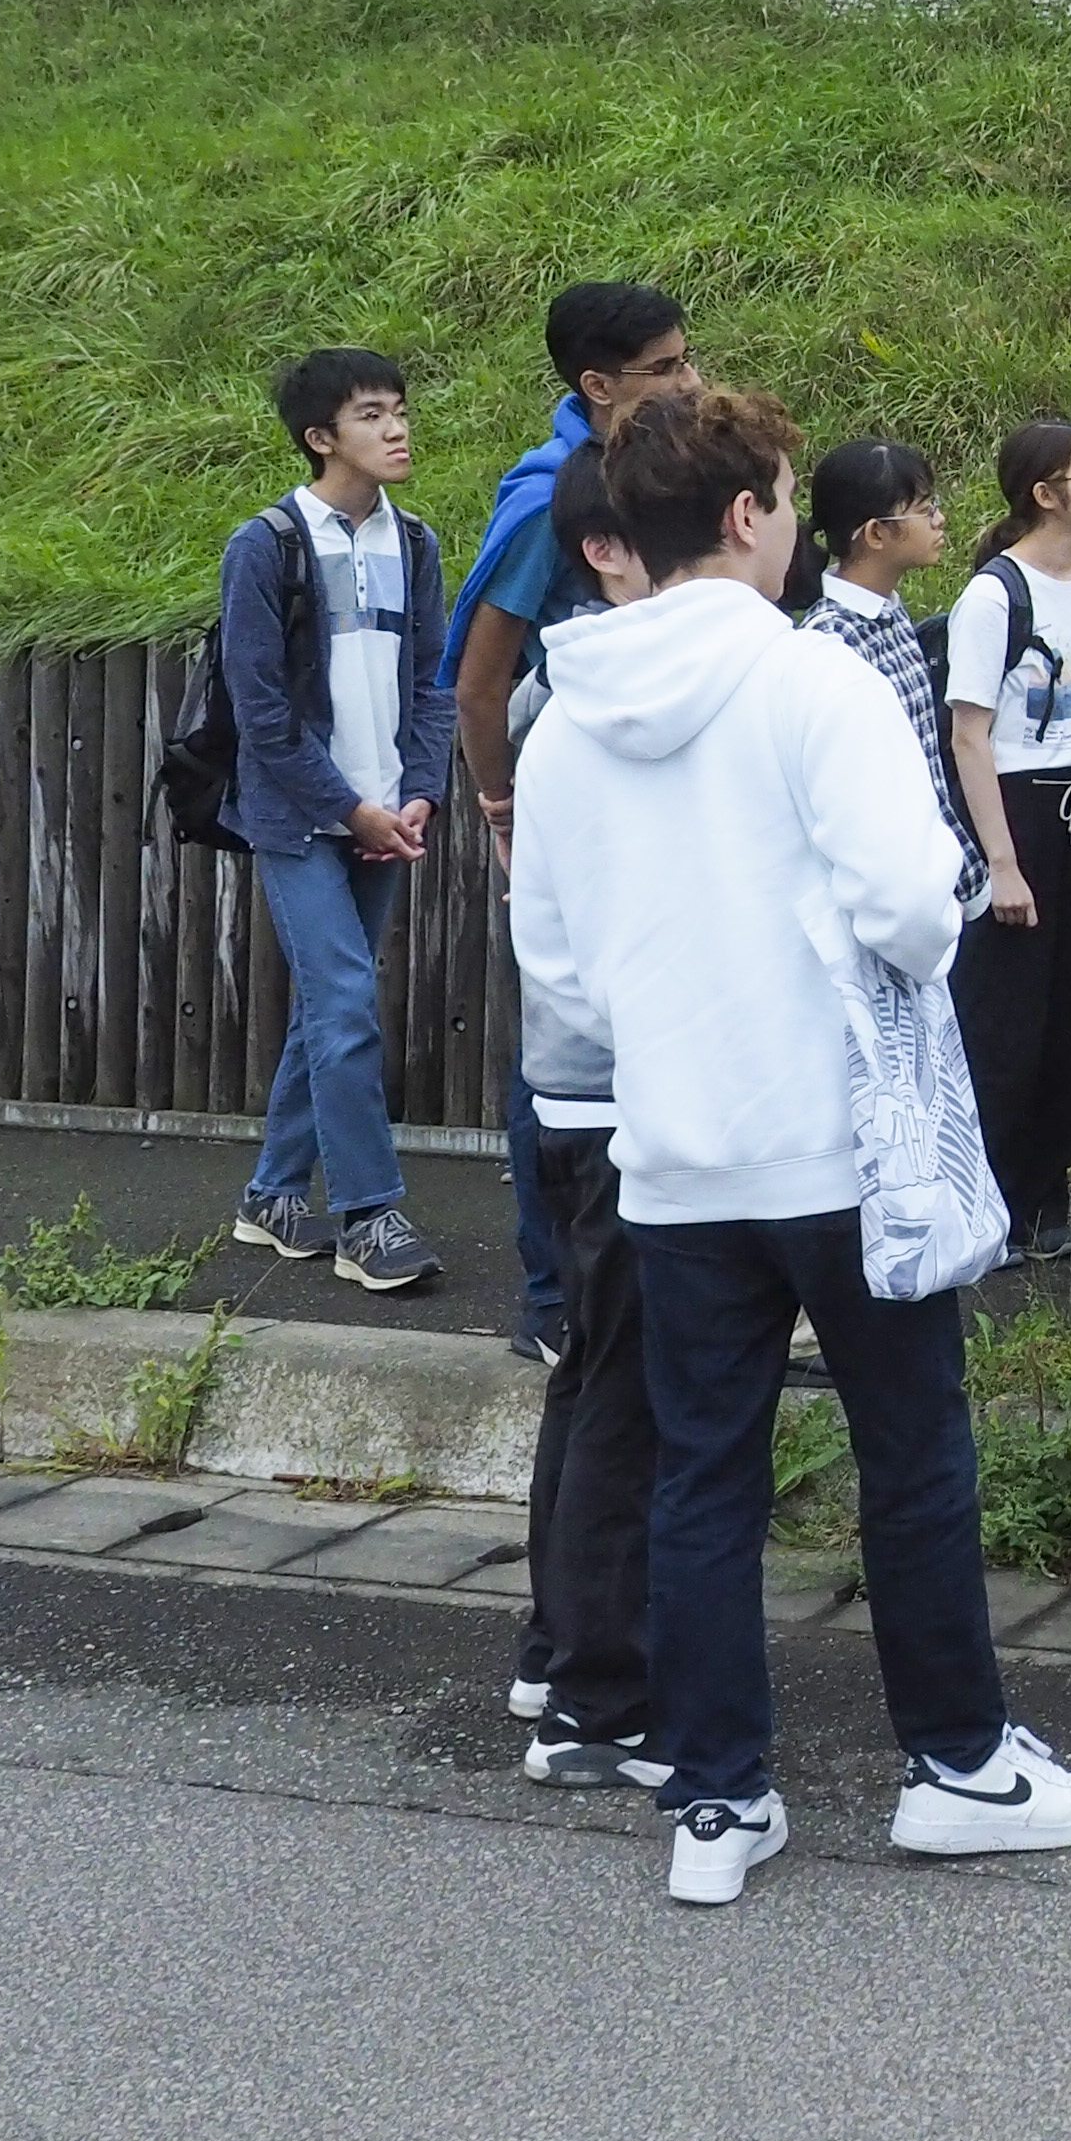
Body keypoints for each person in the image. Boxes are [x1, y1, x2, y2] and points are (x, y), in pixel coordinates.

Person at [505, 382, 1071, 1905]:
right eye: (781, 498)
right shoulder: (814, 685)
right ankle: (960, 1765)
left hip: (674, 1159)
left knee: (703, 1473)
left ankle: (718, 1802)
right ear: (744, 516)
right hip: (843, 1154)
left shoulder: (568, 717)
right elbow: (916, 910)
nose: (789, 525)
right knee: (911, 1455)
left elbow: (561, 970)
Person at [443, 281, 700, 1368]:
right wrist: (506, 813)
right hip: (565, 806)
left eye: (689, 360)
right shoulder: (557, 499)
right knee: (558, 1048)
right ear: (598, 386)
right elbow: (480, 679)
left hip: (646, 807)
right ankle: (552, 1297)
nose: (690, 382)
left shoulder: (655, 473)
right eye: (664, 370)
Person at [215, 347, 458, 1295]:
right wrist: (345, 804)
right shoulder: (267, 545)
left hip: (389, 809)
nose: (397, 429)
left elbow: (435, 684)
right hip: (300, 814)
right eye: (371, 415)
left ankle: (273, 1195)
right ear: (322, 439)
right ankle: (369, 1215)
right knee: (348, 1003)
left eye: (399, 409)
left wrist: (417, 792)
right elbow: (260, 710)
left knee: (332, 1004)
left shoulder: (421, 542)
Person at [507, 445, 665, 1782]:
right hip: (616, 1094)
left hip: (588, 1086)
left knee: (596, 1379)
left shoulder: (576, 703)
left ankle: (559, 1650)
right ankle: (595, 1698)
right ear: (611, 552)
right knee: (624, 1393)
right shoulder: (597, 712)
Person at [940, 423, 1071, 1266]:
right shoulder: (993, 597)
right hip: (1016, 813)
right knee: (1004, 1020)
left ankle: (1044, 1196)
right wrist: (1004, 861)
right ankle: (987, 1201)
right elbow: (969, 736)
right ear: (1044, 494)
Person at [786, 436, 989, 917]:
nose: (939, 519)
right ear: (875, 534)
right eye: (923, 509)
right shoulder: (831, 639)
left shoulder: (889, 610)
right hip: (895, 899)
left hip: (939, 875)